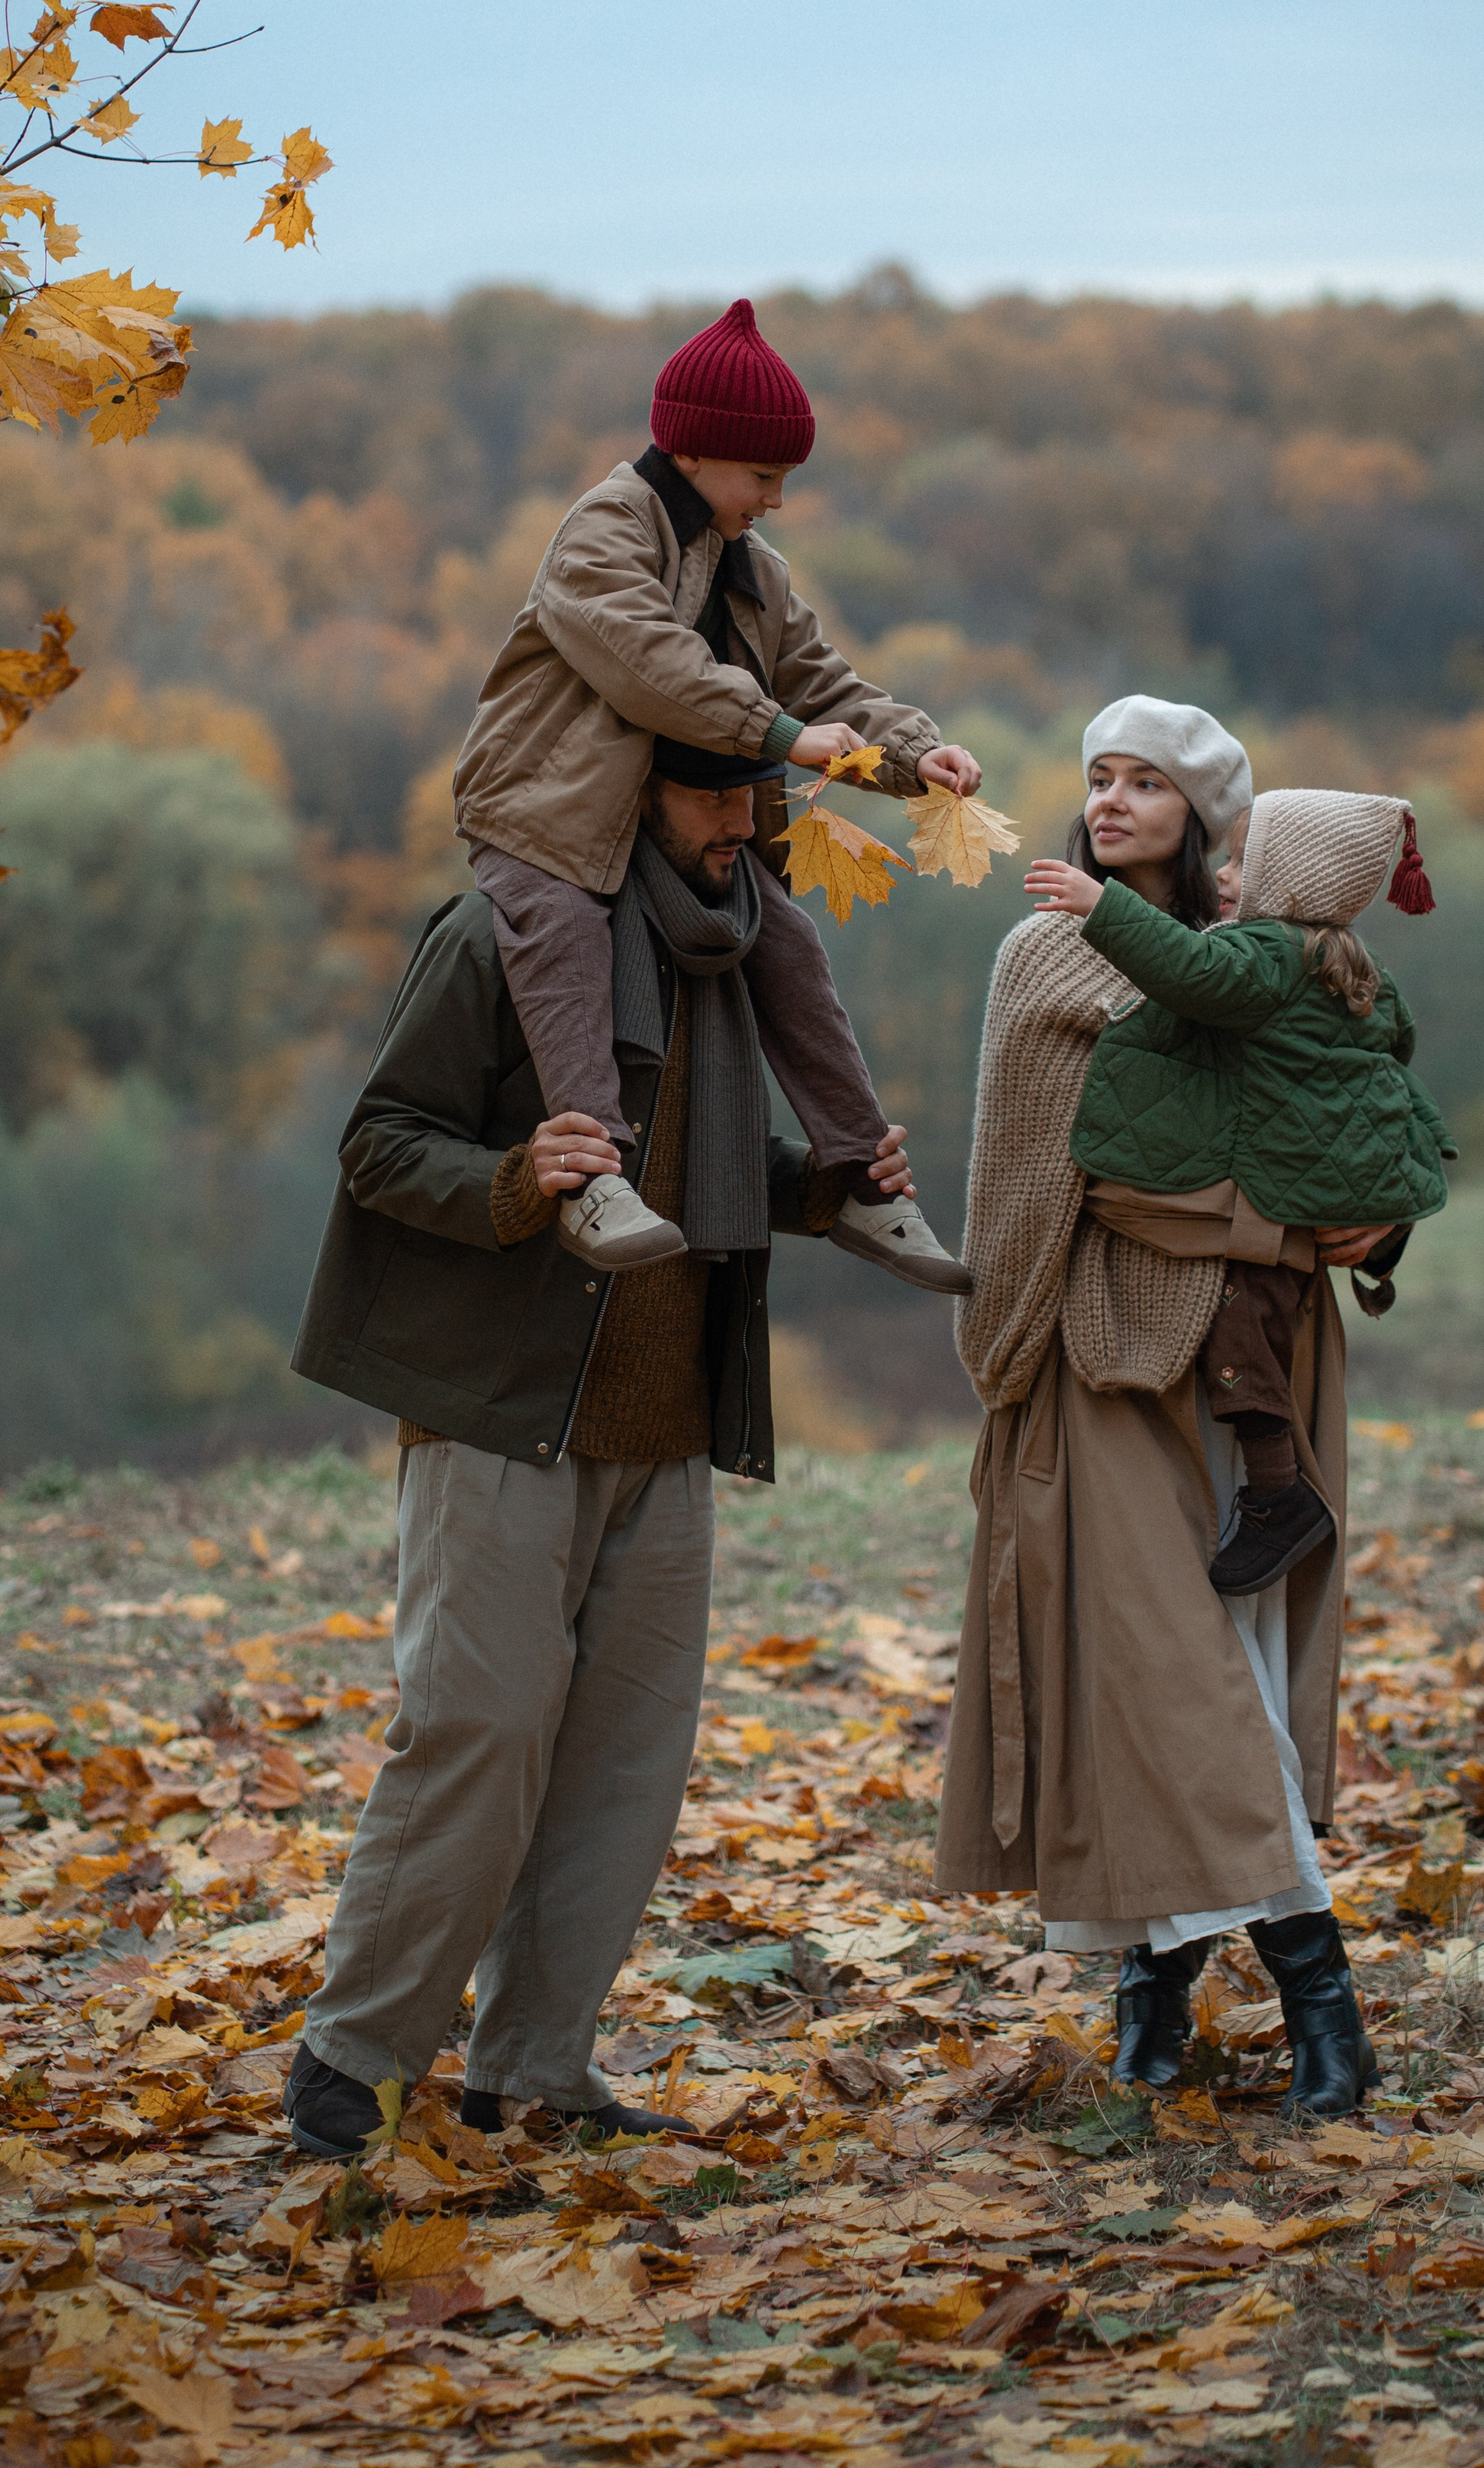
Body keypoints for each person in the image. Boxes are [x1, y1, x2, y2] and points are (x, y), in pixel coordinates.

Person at [284, 738, 935, 2158]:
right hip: (508, 1409)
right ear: (633, 790)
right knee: (479, 1730)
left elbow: (705, 1179)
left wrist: (828, 1183)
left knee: (624, 1769)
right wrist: (522, 1181)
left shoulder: (739, 950)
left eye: (755, 799)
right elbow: (381, 1142)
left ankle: (533, 2073)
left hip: (671, 1425)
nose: (742, 823)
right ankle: (353, 2058)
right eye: (711, 795)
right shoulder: (506, 932)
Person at [935, 695, 1407, 2120]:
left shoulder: (1279, 961)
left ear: (1205, 816)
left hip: (1264, 1372)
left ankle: (1159, 1989)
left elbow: (1361, 1121)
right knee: (1164, 1677)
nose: (1117, 799)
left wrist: (1376, 1231)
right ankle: (1312, 1993)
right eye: (1100, 777)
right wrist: (1276, 1226)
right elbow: (1081, 1171)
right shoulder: (1048, 954)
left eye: (1149, 782)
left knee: (1227, 1675)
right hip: (1108, 1356)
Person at [451, 292, 973, 1293]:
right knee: (560, 933)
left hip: (666, 822)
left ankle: (862, 1176)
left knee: (786, 944)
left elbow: (824, 681)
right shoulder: (603, 532)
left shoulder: (752, 571)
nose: (776, 498)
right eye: (764, 475)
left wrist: (917, 756)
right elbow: (650, 667)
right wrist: (783, 738)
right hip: (547, 812)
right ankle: (593, 1178)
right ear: (693, 452)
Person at [1024, 785, 1453, 1598]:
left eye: (1244, 862)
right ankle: (1275, 1490)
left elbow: (1193, 973)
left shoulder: (1261, 955)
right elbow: (1391, 1062)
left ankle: (1278, 1492)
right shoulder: (1356, 967)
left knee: (1240, 1334)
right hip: (1304, 1185)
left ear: (1291, 881)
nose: (1225, 875)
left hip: (1267, 1198)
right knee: (1253, 1326)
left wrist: (1100, 908)